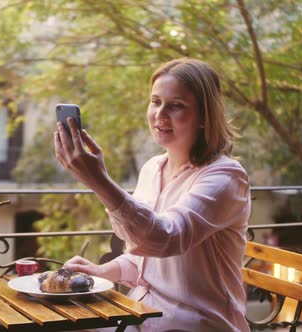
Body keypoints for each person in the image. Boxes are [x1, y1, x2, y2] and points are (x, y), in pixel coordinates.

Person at [53, 58, 251, 332]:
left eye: (176, 105)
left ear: (206, 116)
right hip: (141, 315)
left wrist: (99, 180)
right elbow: (144, 260)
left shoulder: (226, 177)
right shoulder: (152, 168)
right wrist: (101, 271)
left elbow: (165, 238)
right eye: (155, 101)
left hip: (196, 323)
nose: (160, 114)